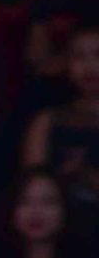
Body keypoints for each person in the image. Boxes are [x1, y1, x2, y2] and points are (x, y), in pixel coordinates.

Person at [22, 24, 99, 221]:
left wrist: (87, 176)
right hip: (62, 223)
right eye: (79, 57)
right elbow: (31, 185)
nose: (90, 66)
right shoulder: (47, 121)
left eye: (97, 55)